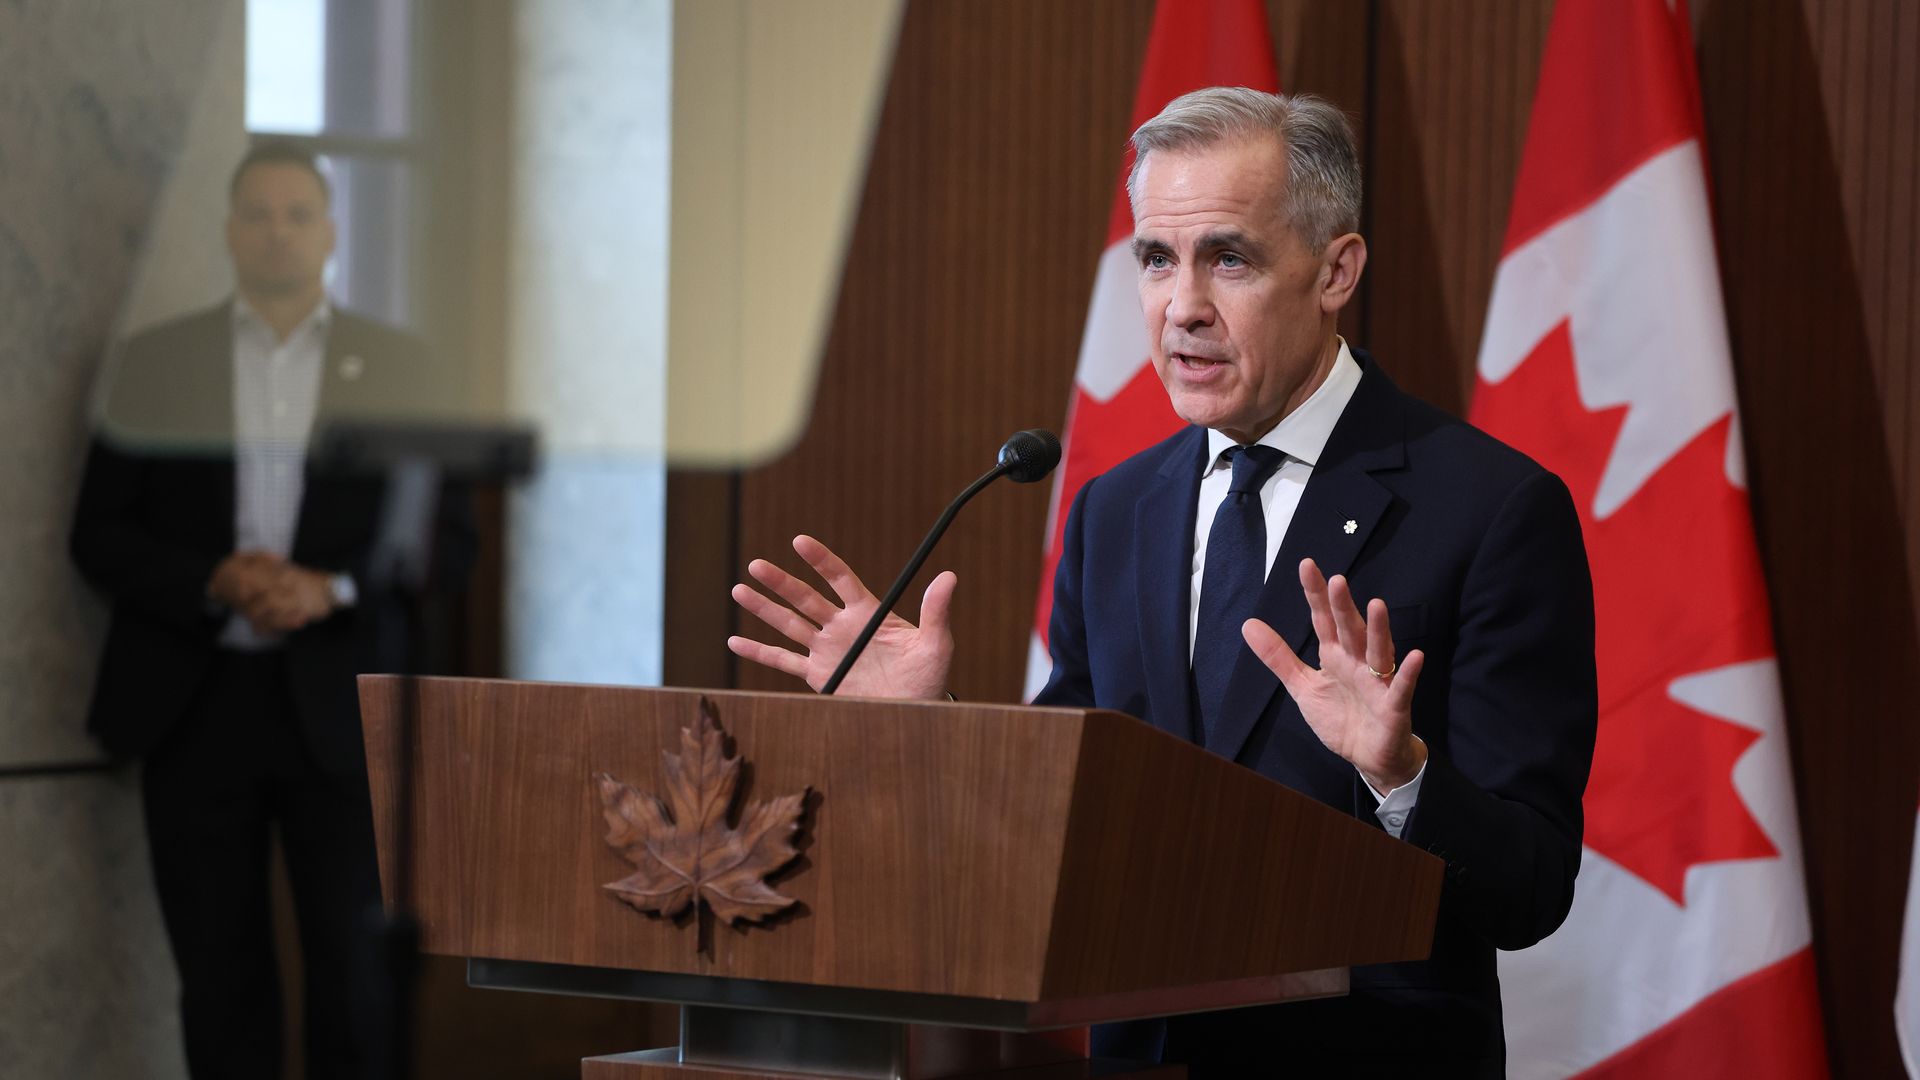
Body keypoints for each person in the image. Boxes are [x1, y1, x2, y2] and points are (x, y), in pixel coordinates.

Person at [727, 88, 1597, 1075]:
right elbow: (1066, 819)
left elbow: (1531, 888)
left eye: (1229, 257)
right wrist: (940, 728)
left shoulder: (1488, 509)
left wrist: (1400, 777)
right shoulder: (1115, 510)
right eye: (1155, 259)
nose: (1182, 305)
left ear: (1335, 270)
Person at [70, 142, 470, 1079]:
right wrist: (214, 577)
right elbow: (97, 536)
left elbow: (445, 546)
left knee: (360, 981)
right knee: (218, 983)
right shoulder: (155, 365)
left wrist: (325, 587)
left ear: (329, 232)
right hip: (194, 701)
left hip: (346, 711)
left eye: (299, 213)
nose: (278, 231)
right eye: (259, 213)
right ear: (228, 231)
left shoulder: (407, 368)